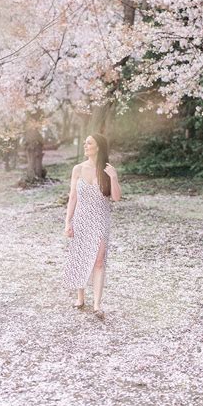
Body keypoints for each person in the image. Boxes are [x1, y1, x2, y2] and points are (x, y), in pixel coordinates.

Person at [62, 133, 122, 319]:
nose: (85, 146)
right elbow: (73, 197)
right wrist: (68, 221)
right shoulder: (78, 169)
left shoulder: (107, 170)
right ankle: (81, 297)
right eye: (85, 143)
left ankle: (97, 304)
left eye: (89, 143)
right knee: (81, 256)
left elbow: (117, 197)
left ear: (98, 147)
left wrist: (113, 177)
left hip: (100, 220)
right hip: (81, 219)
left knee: (98, 261)